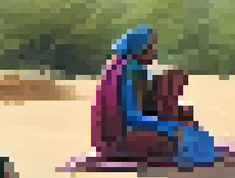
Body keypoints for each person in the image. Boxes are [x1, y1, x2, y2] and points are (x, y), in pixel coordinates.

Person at [89, 26, 216, 167]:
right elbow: (132, 117)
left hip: (124, 133)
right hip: (116, 140)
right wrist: (172, 127)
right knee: (183, 140)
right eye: (150, 48)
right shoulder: (127, 72)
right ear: (139, 49)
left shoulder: (131, 68)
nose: (154, 54)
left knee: (188, 129)